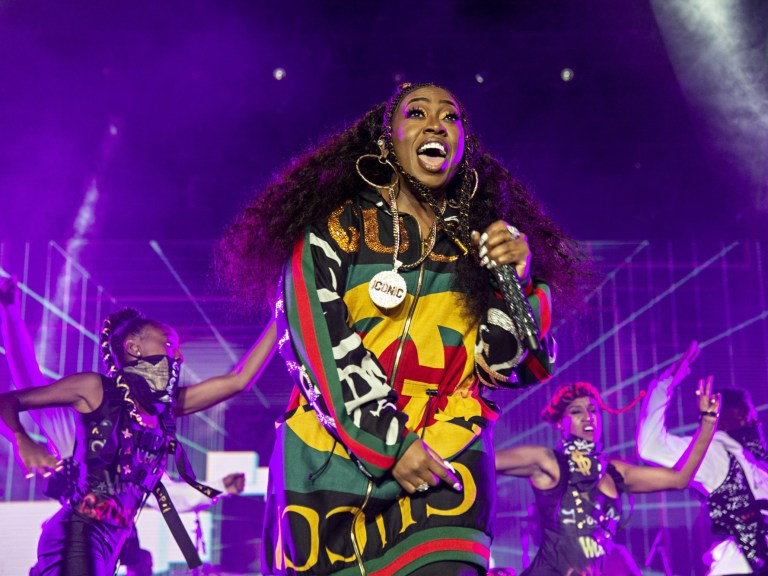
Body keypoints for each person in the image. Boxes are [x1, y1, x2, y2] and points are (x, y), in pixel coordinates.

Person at [216, 81, 593, 575]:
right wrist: (390, 443)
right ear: (386, 139)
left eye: (451, 117)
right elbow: (316, 341)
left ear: (463, 148)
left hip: (448, 449)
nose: (436, 123)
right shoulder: (335, 228)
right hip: (331, 459)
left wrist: (517, 280)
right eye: (417, 113)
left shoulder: (479, 244)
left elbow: (504, 363)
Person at [0, 301, 276, 576]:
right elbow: (13, 394)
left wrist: (285, 310)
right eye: (169, 344)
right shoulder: (95, 390)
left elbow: (239, 380)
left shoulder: (162, 411)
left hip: (113, 544)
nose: (178, 356)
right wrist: (21, 439)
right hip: (78, 533)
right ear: (134, 347)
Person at [495, 379, 721, 576]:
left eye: (593, 410)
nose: (588, 417)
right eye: (576, 411)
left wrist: (708, 422)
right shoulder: (549, 462)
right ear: (559, 423)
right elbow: (486, 460)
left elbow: (680, 478)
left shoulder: (615, 472)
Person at [637, 341, 768, 575]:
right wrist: (665, 384)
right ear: (723, 418)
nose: (754, 423)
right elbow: (651, 447)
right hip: (739, 566)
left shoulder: (758, 463)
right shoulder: (715, 451)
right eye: (744, 414)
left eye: (751, 415)